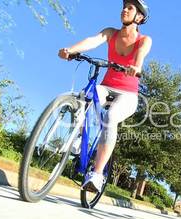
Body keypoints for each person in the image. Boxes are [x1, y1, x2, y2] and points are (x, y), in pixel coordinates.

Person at [58, 0, 152, 192]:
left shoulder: (144, 40)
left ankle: (97, 174)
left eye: (130, 8)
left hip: (128, 95)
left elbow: (140, 53)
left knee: (110, 117)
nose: (124, 10)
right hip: (106, 88)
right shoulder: (111, 33)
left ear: (139, 17)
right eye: (124, 6)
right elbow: (93, 40)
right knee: (83, 97)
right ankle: (77, 138)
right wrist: (71, 50)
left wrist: (136, 67)